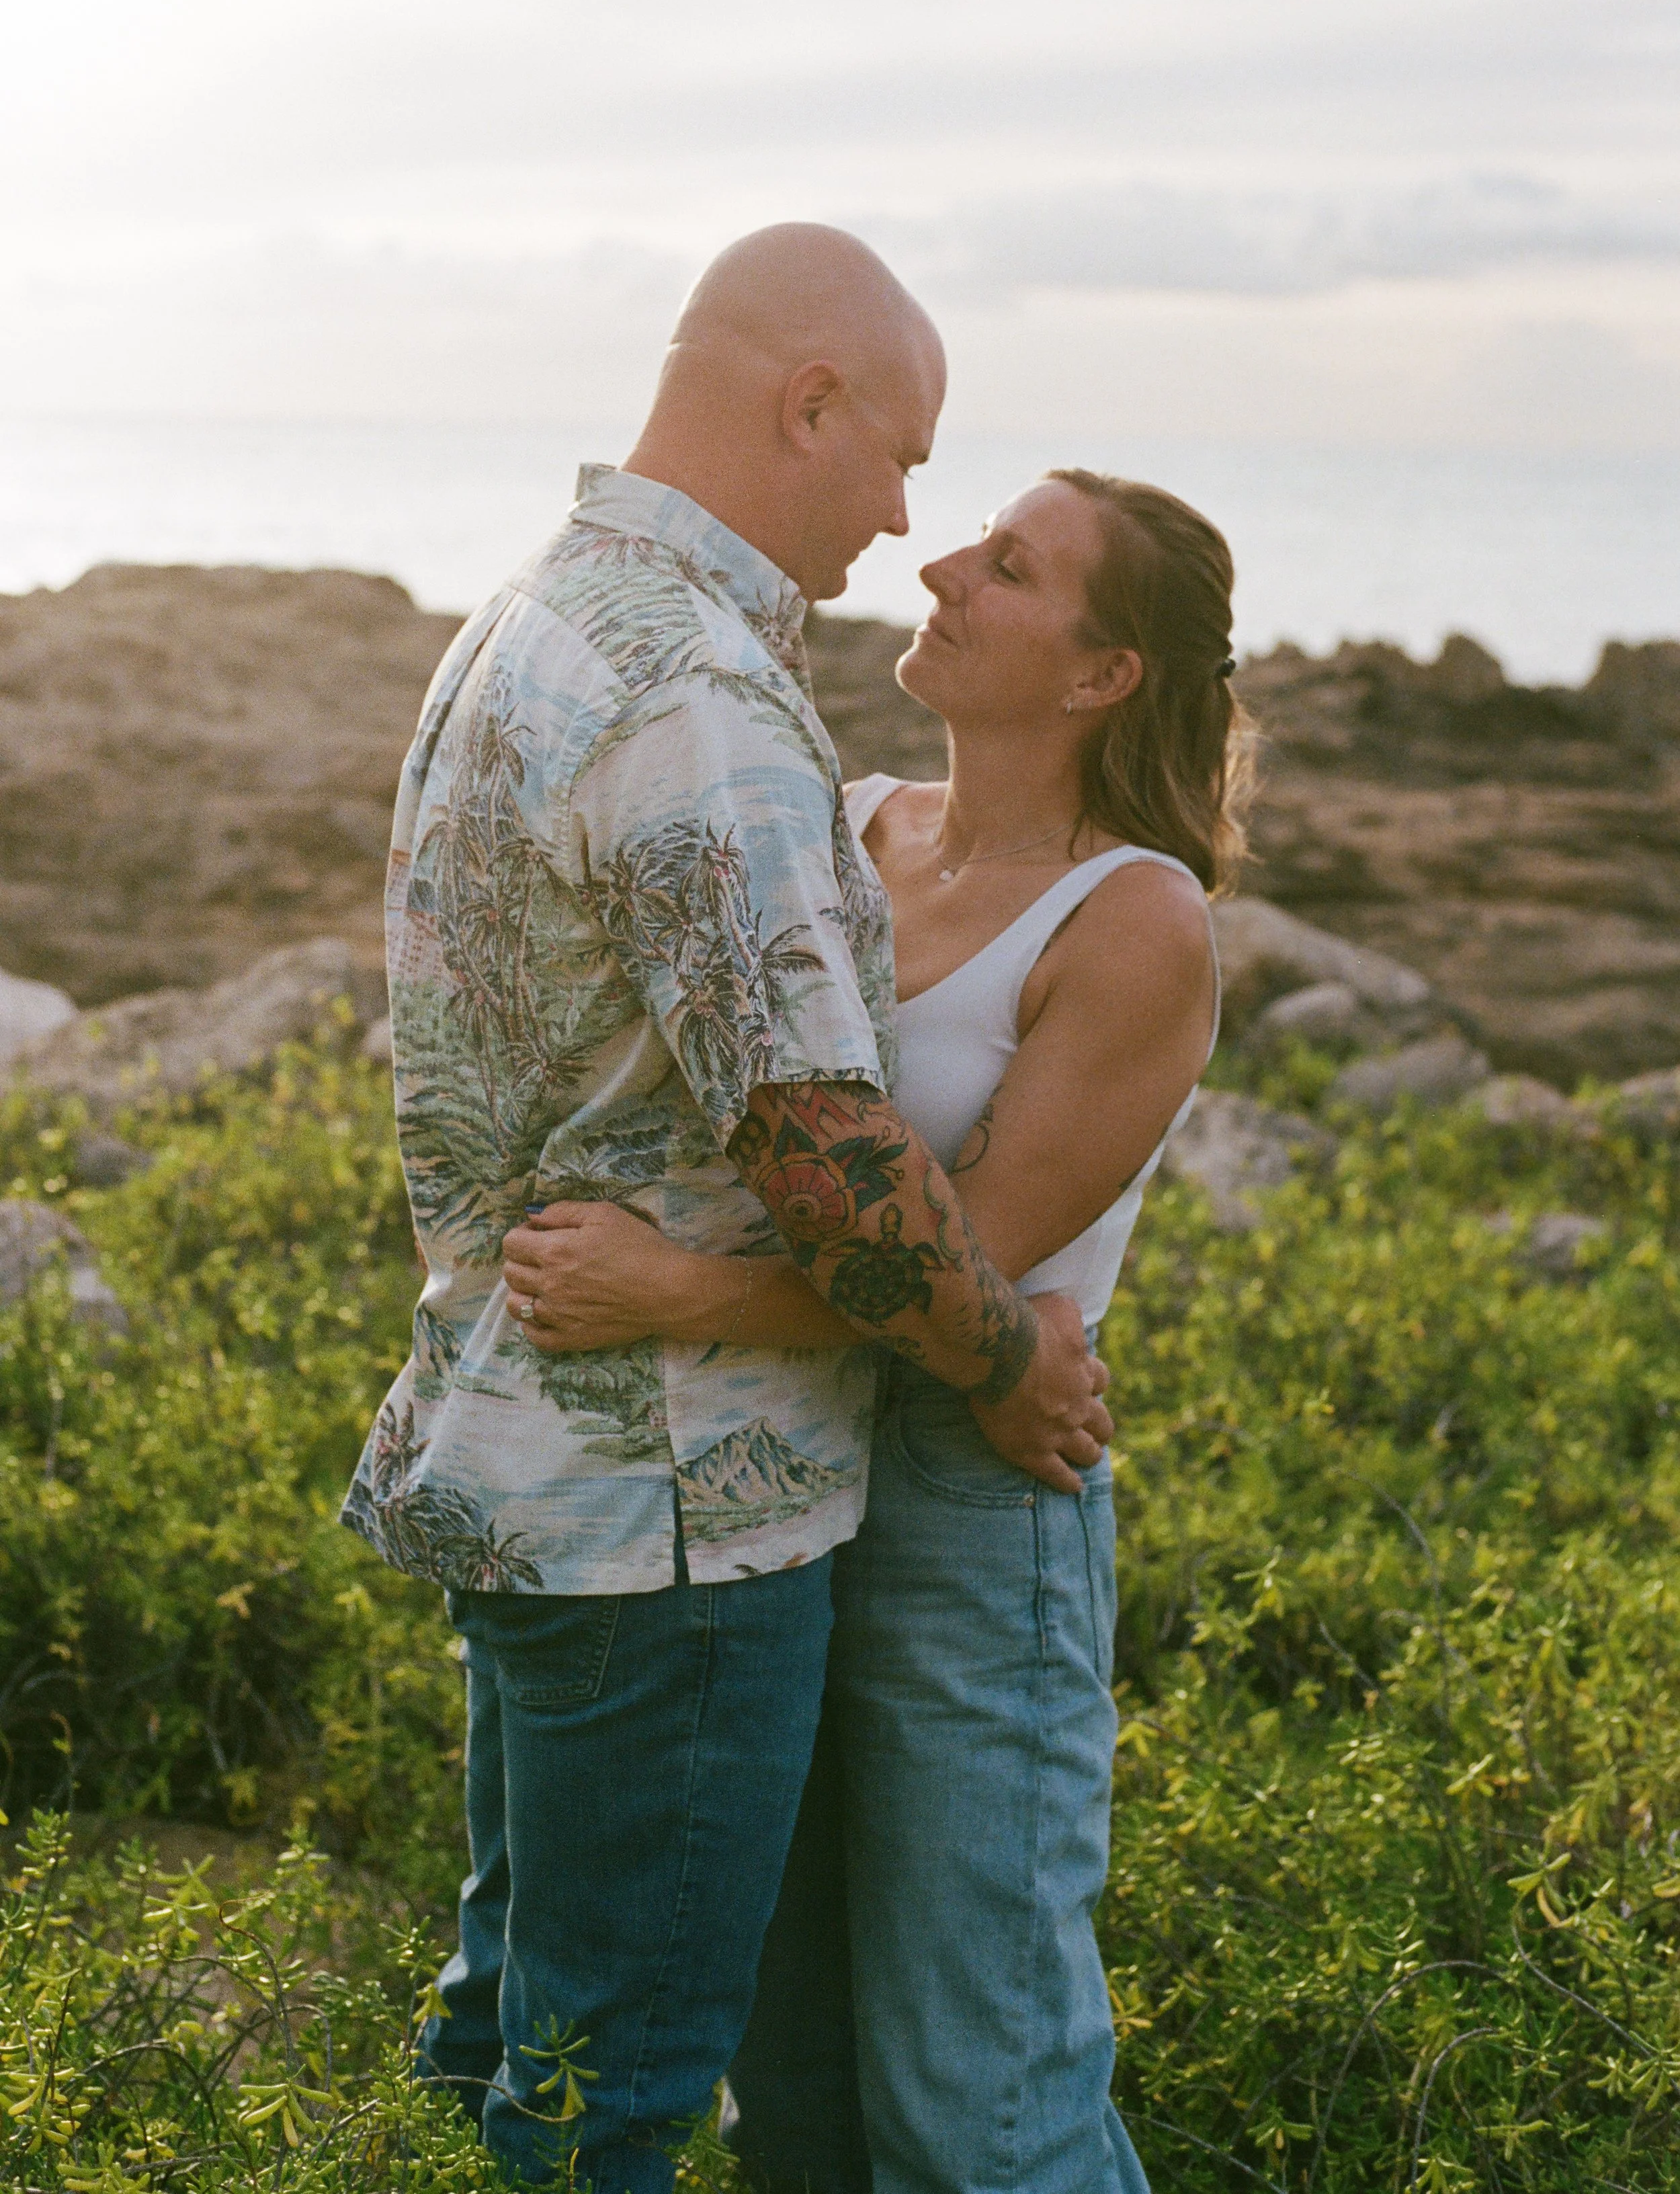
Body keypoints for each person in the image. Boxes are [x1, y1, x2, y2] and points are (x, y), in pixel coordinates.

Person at [340, 222, 1107, 2194]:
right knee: (618, 2098)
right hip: (672, 1523)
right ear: (807, 403)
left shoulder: (535, 618)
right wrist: (1008, 1347)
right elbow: (838, 1182)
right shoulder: (704, 704)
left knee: (509, 2034)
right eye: (899, 455)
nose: (904, 517)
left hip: (528, 1464)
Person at [503, 467, 1251, 2193]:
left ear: (1100, 675)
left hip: (970, 1493)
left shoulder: (1136, 921)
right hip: (778, 1474)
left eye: (1008, 565)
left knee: (981, 2096)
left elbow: (952, 1266)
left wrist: (675, 1288)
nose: (941, 564)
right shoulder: (847, 821)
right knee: (799, 2077)